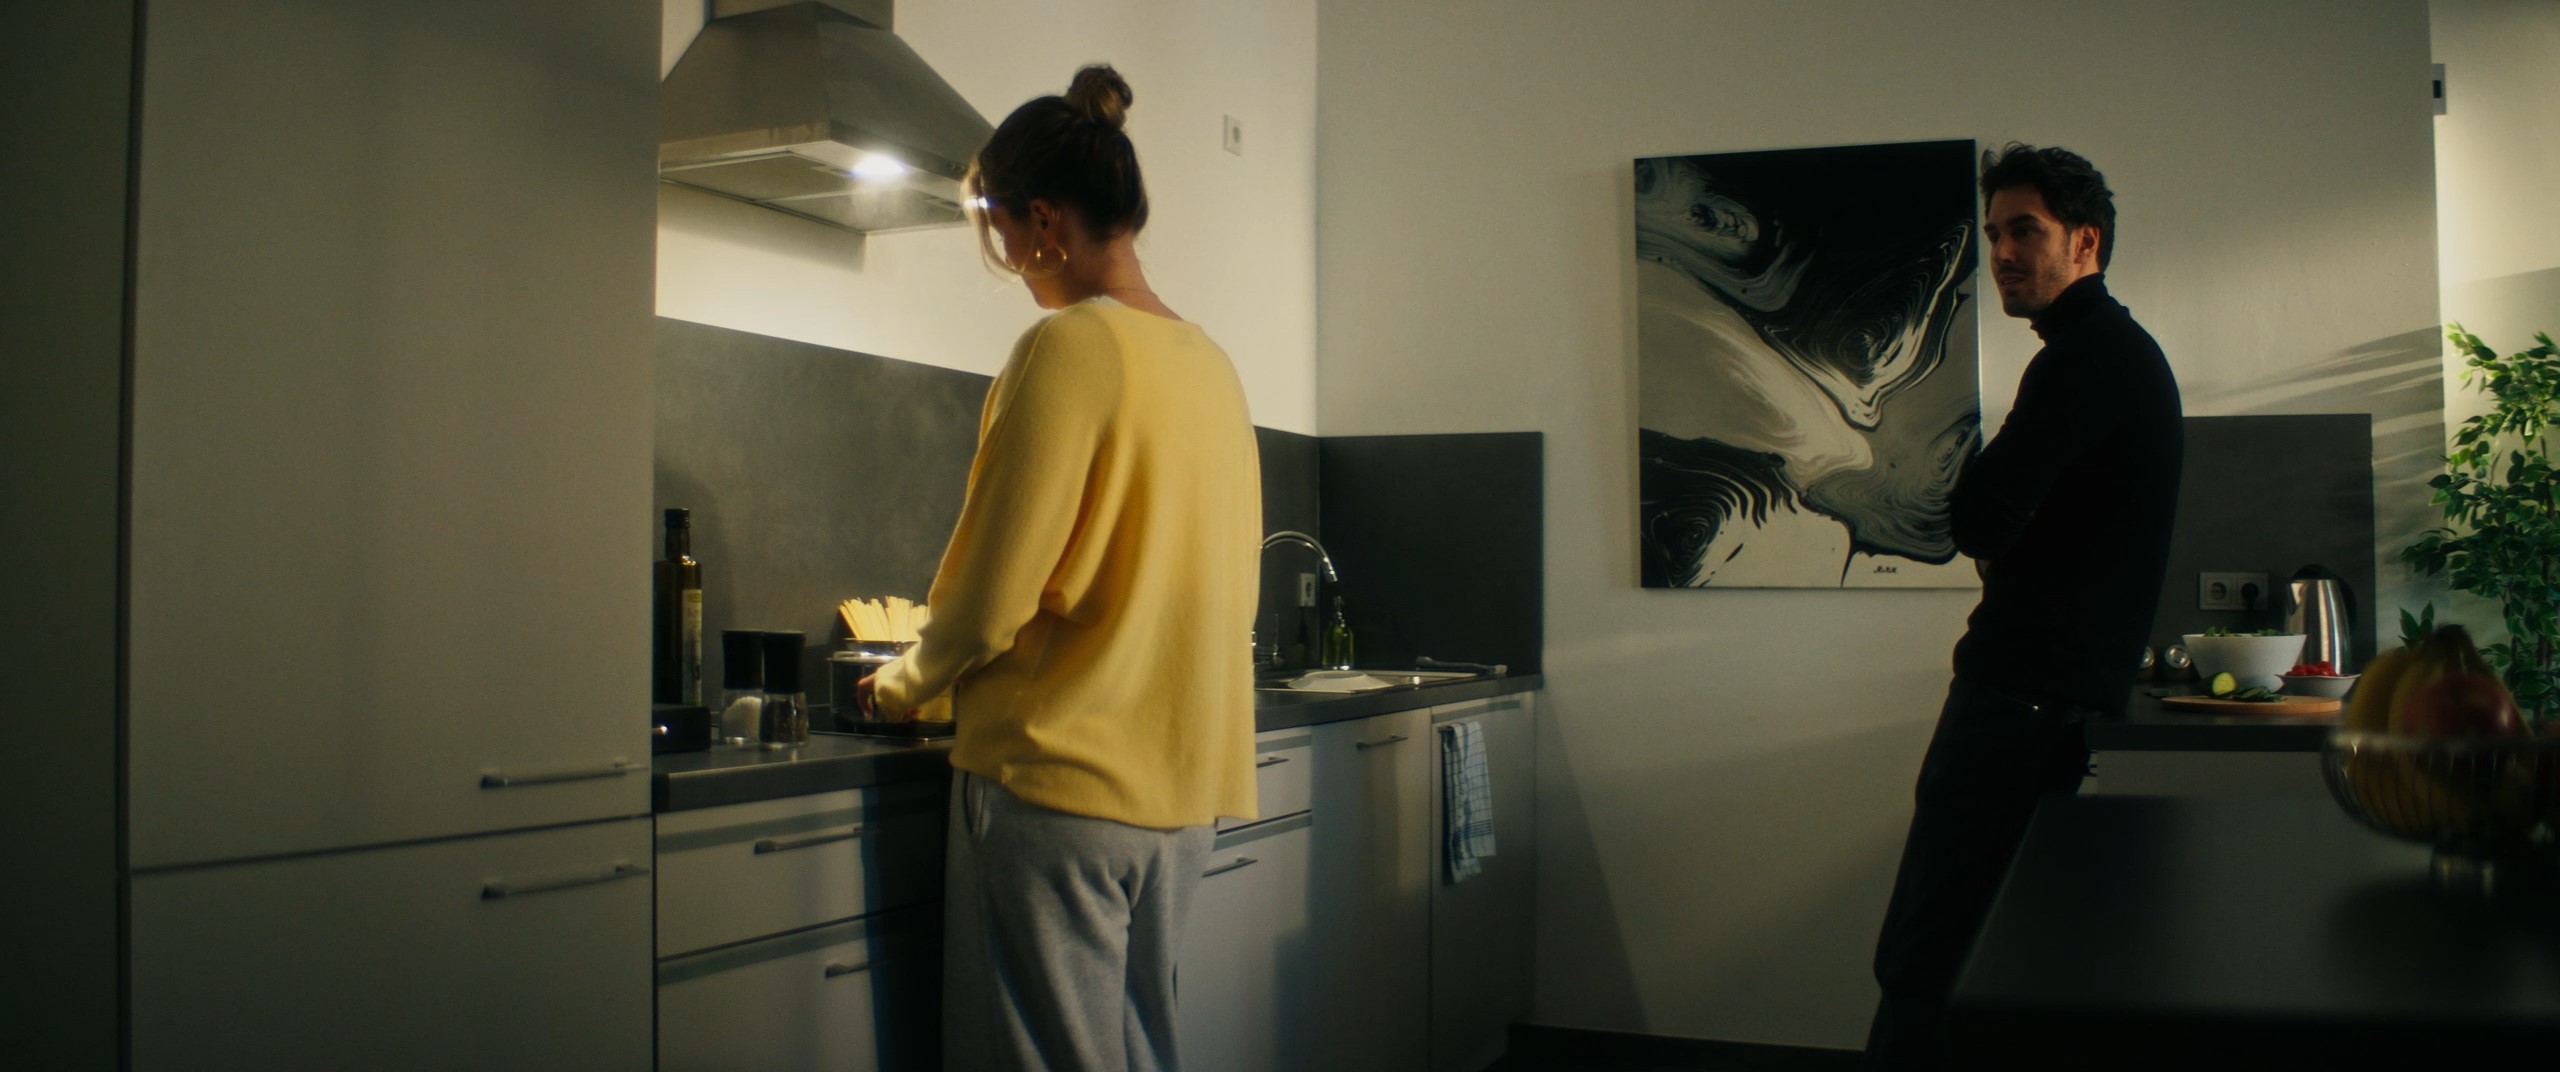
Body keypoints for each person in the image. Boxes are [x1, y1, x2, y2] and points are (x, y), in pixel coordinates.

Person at [853, 65, 1263, 1072]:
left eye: (1001, 238)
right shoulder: (1212, 366)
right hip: (1182, 799)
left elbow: (991, 594)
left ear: (1044, 221)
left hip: (1062, 784)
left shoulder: (1066, 347)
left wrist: (903, 686)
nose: (1011, 264)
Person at [1863, 144, 2183, 1070]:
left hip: (2015, 708)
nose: (2002, 251)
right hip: (2052, 706)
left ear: (2086, 241)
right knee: (1980, 961)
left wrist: (1995, 533)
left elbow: (1976, 516)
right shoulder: (2116, 355)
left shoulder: (2083, 360)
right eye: (1995, 232)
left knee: (1925, 956)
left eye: (2025, 231)